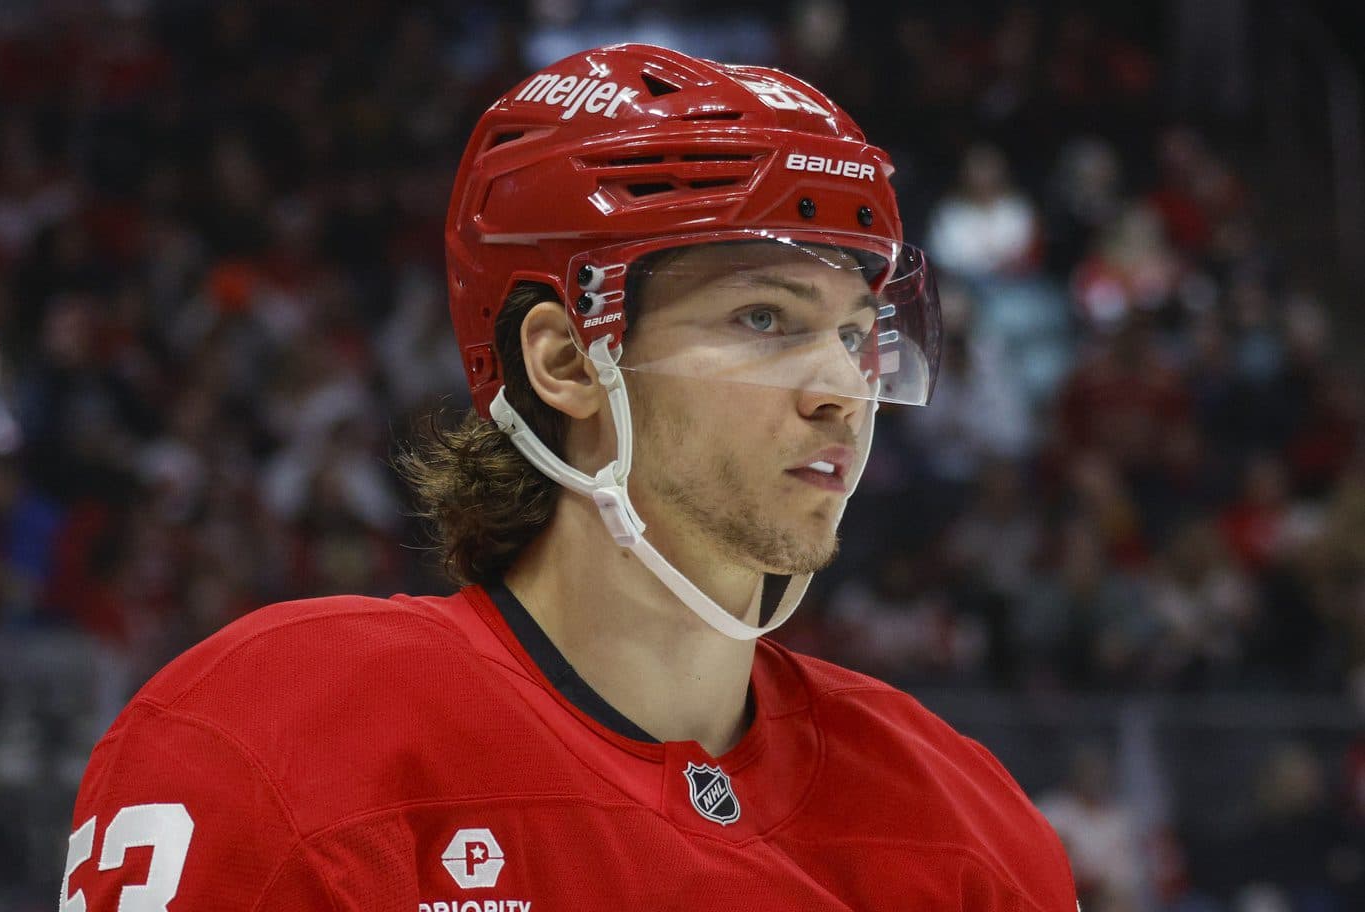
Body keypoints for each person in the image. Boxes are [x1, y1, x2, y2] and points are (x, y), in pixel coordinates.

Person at [59, 44, 1076, 910]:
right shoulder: (279, 736)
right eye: (763, 318)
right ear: (564, 360)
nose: (840, 388)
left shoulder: (965, 825)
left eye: (856, 333)